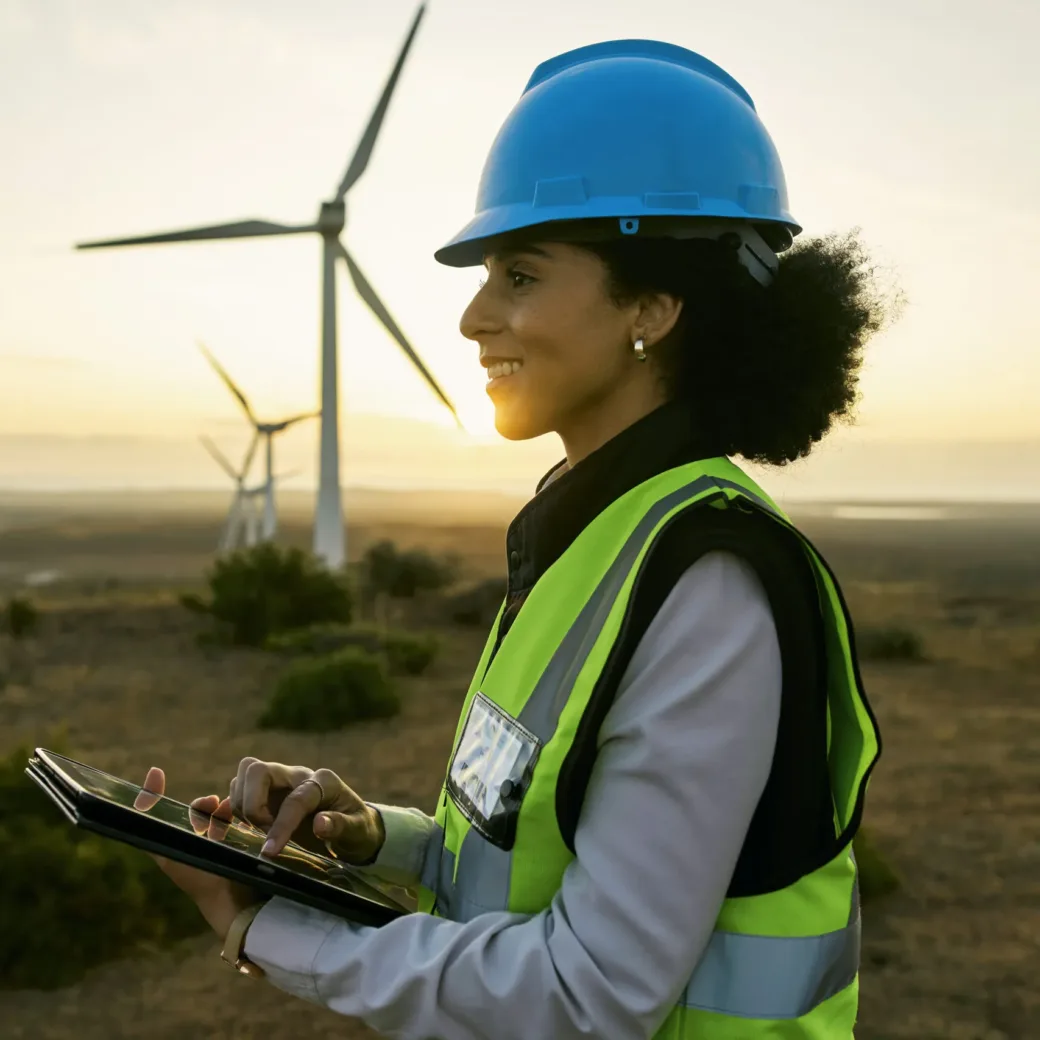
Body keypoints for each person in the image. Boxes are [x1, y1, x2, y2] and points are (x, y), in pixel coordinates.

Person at [144, 39, 893, 1039]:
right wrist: (378, 841)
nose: (471, 315)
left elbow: (587, 994)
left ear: (651, 307)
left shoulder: (705, 579)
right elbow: (535, 852)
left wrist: (273, 928)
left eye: (520, 274)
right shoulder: (598, 532)